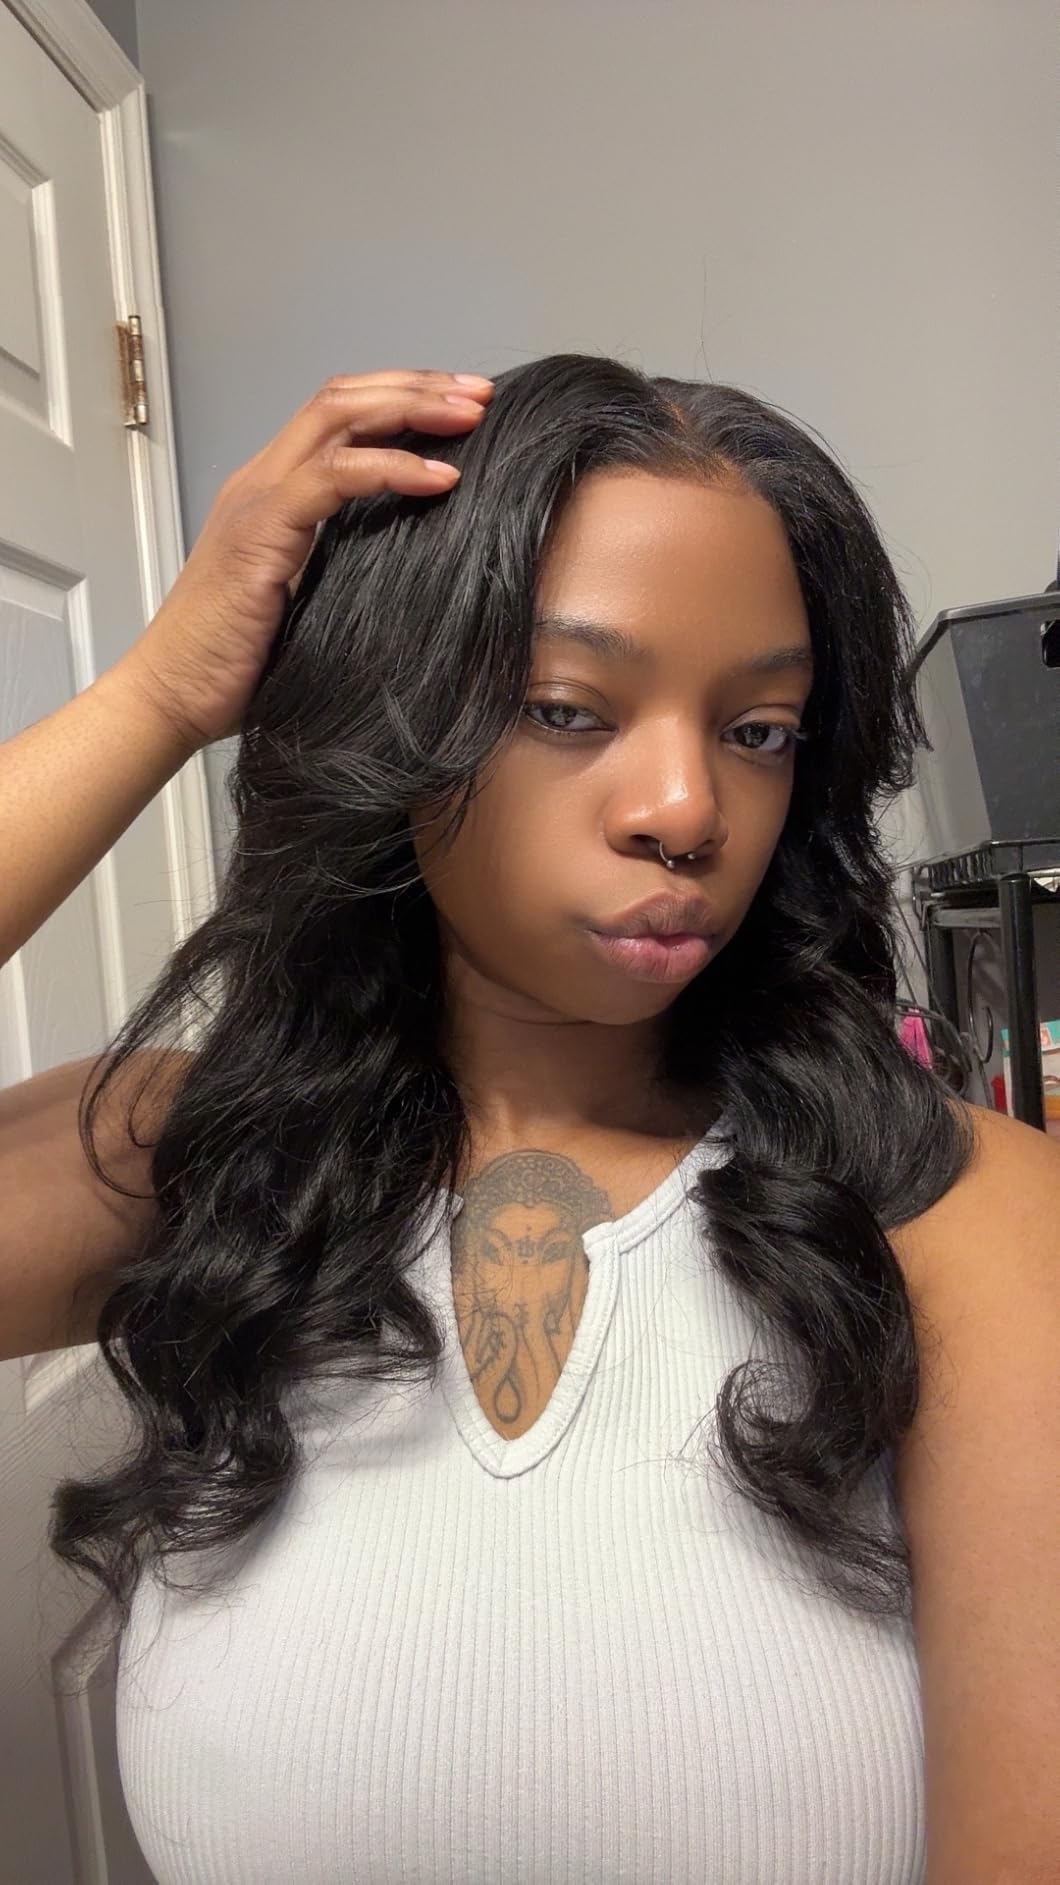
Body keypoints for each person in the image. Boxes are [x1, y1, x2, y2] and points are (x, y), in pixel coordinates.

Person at [1, 357, 1055, 1884]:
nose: (686, 807)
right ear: (399, 718)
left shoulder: (966, 1221)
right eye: (568, 707)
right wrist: (159, 693)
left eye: (760, 729)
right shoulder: (209, 1159)